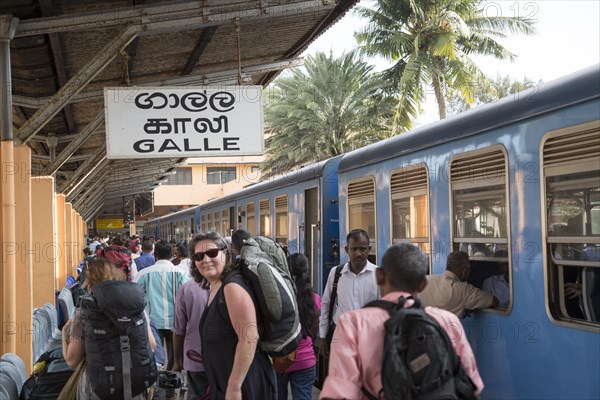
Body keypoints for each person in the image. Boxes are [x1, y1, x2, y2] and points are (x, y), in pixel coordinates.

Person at [320, 243, 484, 399]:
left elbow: (340, 393)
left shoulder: (353, 324)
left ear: (379, 276)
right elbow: (471, 385)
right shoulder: (447, 321)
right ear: (422, 285)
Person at [195, 231, 276, 400]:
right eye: (199, 256)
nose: (206, 260)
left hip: (244, 387)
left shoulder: (231, 287)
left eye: (212, 253)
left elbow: (249, 337)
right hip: (227, 385)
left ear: (225, 253)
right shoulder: (217, 287)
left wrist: (234, 386)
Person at [61, 259, 157, 399]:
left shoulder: (85, 309)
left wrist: (64, 333)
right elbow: (152, 345)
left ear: (89, 280)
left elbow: (71, 360)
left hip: (98, 389)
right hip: (135, 387)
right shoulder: (134, 305)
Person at [318, 229, 379, 358]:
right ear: (347, 249)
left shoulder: (378, 275)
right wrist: (323, 336)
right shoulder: (336, 273)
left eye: (363, 249)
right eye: (354, 249)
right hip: (341, 339)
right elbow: (326, 305)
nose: (358, 253)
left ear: (369, 249)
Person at [134, 241, 188, 371]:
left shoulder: (144, 273)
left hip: (151, 321)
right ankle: (171, 379)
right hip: (175, 321)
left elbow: (134, 293)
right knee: (174, 355)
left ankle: (157, 380)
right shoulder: (180, 273)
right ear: (171, 254)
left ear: (155, 254)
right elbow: (186, 296)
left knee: (154, 354)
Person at [277, 253, 321, 400]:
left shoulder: (279, 297)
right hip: (306, 360)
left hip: (280, 359)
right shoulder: (315, 299)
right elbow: (313, 332)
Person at [172, 254, 211, 399]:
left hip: (195, 357)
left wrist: (177, 361)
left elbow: (178, 330)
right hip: (225, 360)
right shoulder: (232, 287)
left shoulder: (187, 289)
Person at [418, 250, 499, 318]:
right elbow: (493, 301)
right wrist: (473, 306)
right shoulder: (464, 290)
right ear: (465, 271)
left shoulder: (424, 280)